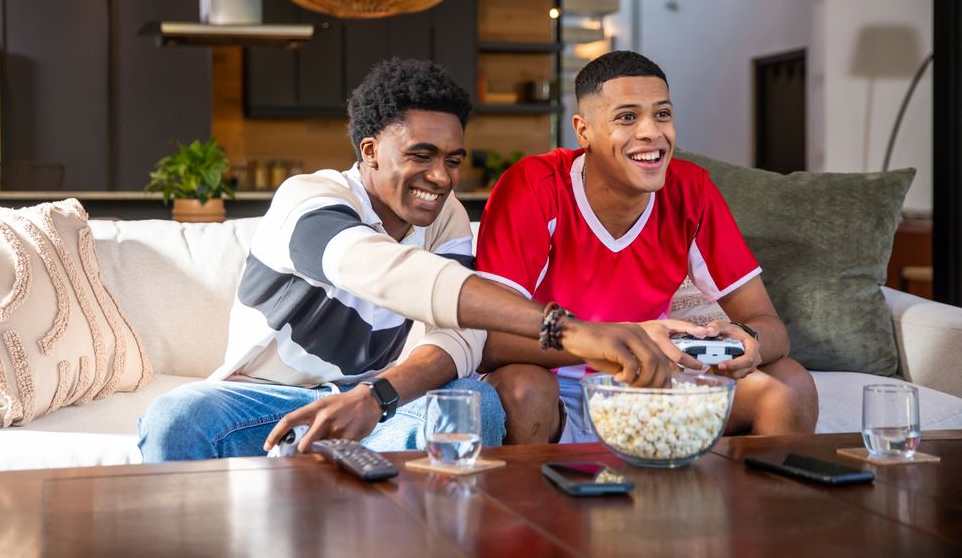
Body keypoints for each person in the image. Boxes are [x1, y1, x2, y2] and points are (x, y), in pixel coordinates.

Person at [139, 57, 671, 461]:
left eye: (452, 160)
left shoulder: (446, 218)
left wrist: (377, 395)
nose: (440, 177)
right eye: (421, 155)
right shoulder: (309, 199)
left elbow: (460, 337)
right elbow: (389, 273)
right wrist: (570, 330)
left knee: (474, 403)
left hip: (372, 404)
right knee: (177, 414)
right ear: (369, 151)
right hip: (261, 406)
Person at [476, 51, 819, 444]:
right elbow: (491, 338)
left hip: (655, 383)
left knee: (789, 383)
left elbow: (770, 325)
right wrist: (626, 339)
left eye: (662, 114)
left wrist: (748, 341)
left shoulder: (692, 190)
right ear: (583, 130)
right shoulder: (533, 186)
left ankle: (764, 505)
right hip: (558, 386)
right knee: (524, 388)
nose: (651, 132)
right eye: (627, 117)